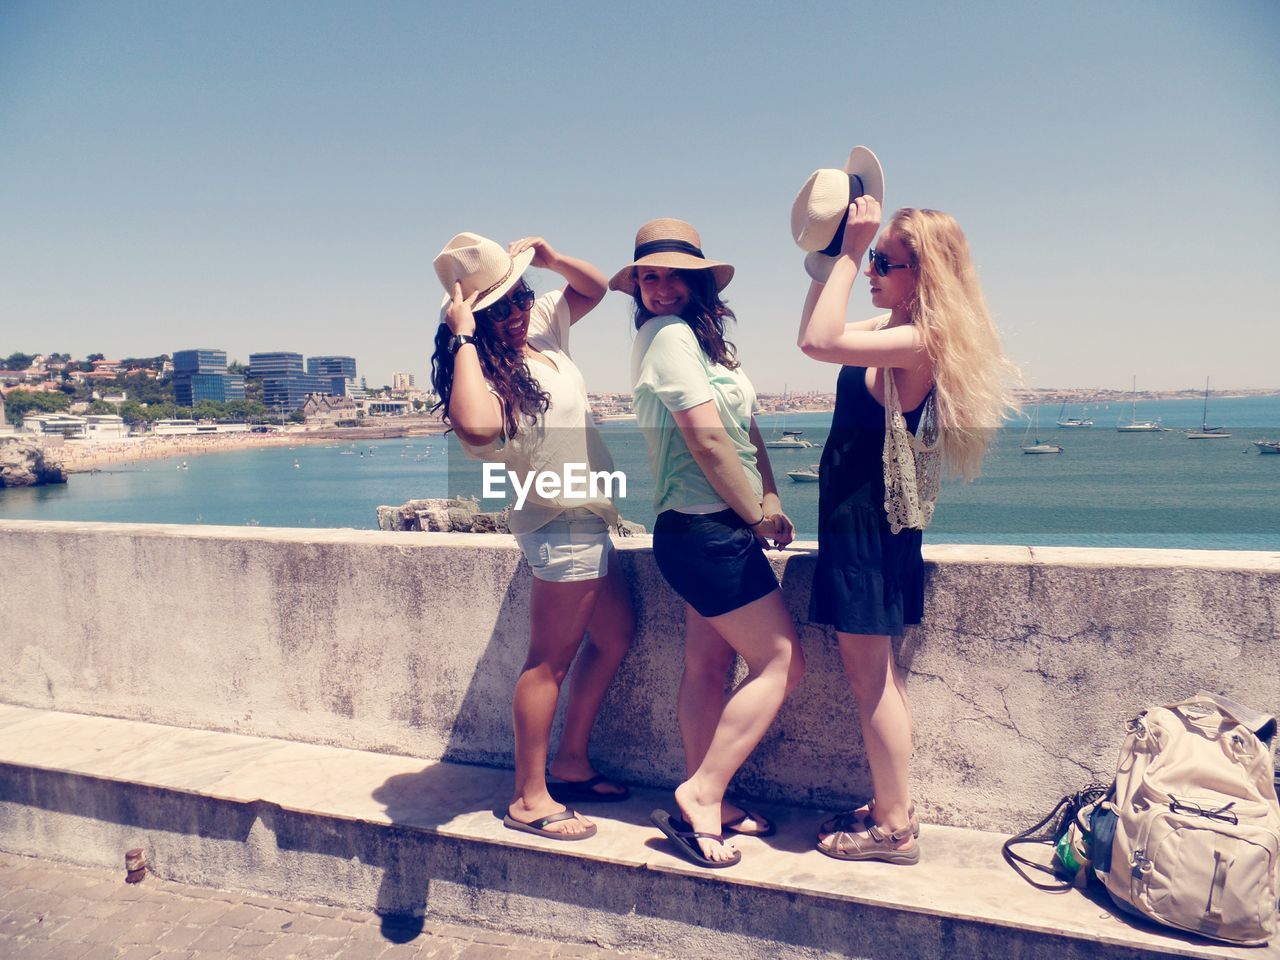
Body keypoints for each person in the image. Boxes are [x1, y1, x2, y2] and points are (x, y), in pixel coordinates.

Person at [797, 200, 1016, 864]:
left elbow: (817, 342)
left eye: (883, 262)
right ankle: (890, 803)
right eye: (871, 260)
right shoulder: (891, 324)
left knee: (872, 680)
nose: (870, 271)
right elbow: (816, 326)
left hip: (868, 528)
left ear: (924, 274)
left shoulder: (918, 339)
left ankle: (893, 827)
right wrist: (832, 249)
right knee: (876, 675)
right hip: (860, 524)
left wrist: (843, 253)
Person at [612, 218, 806, 868]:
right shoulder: (664, 337)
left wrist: (770, 497)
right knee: (782, 661)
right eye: (648, 276)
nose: (660, 287)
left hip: (714, 527)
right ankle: (702, 792)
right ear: (637, 285)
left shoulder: (708, 345)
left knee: (708, 666)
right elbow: (706, 440)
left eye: (672, 275)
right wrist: (755, 516)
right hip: (704, 530)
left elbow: (746, 431)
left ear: (697, 282)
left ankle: (710, 803)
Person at [431, 232, 635, 841]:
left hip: (591, 514)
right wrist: (464, 335)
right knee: (547, 663)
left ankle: (571, 761)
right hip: (558, 521)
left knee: (618, 634)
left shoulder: (543, 325)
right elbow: (473, 427)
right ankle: (529, 795)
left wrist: (550, 260)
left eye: (522, 295)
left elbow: (598, 288)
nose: (520, 310)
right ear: (479, 316)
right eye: (504, 307)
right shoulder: (486, 370)